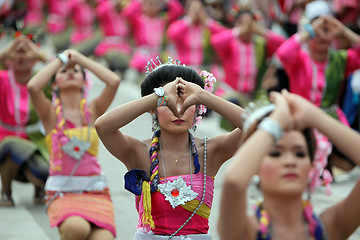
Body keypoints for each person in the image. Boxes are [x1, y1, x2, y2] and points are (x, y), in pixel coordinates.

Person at [95, 57, 245, 239]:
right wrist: (158, 96)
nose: (178, 110)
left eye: (186, 102)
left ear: (198, 108)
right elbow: (103, 126)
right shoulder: (138, 152)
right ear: (152, 108)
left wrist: (203, 96)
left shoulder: (210, 151)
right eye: (169, 103)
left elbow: (258, 126)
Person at [218, 89, 360, 240]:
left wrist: (312, 116)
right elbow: (234, 181)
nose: (290, 161)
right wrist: (278, 118)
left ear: (311, 165)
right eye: (275, 153)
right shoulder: (244, 231)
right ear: (255, 166)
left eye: (299, 154)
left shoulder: (330, 227)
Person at [27, 49, 120, 240]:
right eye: (63, 70)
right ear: (54, 84)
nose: (70, 71)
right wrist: (61, 58)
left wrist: (79, 58)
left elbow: (114, 81)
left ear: (85, 82)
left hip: (96, 191)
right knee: (77, 229)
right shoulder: (50, 114)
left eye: (76, 71)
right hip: (63, 193)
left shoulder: (94, 110)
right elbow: (33, 87)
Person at [276, 0, 360, 172]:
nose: (322, 35)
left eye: (327, 31)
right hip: (300, 119)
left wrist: (343, 30)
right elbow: (283, 53)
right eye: (318, 31)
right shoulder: (299, 58)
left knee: (352, 156)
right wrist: (310, 31)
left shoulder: (340, 60)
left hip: (330, 120)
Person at [0, 35, 49, 207]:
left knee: (46, 167)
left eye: (26, 52)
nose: (21, 56)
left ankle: (40, 188)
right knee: (11, 145)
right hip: (4, 141)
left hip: (36, 141)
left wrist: (38, 53)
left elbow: (61, 72)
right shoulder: (3, 78)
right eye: (16, 53)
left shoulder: (42, 80)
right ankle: (6, 191)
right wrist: (8, 50)